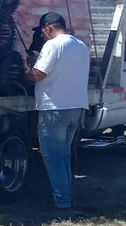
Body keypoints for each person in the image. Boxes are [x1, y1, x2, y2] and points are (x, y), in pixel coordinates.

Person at [26, 12, 90, 214]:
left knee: (52, 157)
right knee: (63, 155)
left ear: (49, 27)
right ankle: (67, 197)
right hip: (75, 107)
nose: (43, 35)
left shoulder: (53, 45)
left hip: (54, 109)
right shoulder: (81, 46)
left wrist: (24, 71)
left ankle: (63, 205)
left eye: (43, 31)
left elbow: (39, 75)